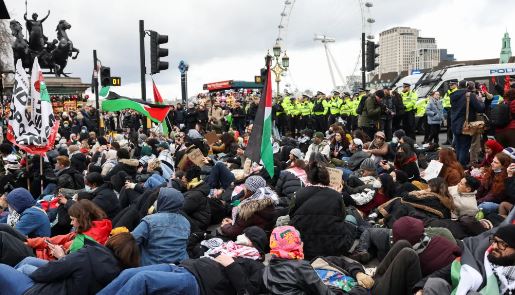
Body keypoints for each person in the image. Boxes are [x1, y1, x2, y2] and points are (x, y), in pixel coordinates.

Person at [98, 226, 269, 295]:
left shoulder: (256, 264)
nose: (240, 236)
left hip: (199, 282)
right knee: (129, 273)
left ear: (252, 242)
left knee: (143, 280)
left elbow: (247, 291)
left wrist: (231, 265)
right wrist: (199, 236)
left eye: (245, 235)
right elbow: (198, 248)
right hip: (186, 267)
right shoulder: (231, 247)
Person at [0, 232, 140, 295]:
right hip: (63, 281)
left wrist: (61, 257)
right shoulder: (120, 274)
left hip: (45, 289)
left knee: (23, 267)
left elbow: (46, 274)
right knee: (27, 261)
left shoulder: (90, 253)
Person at [262, 226, 372, 295]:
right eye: (299, 241)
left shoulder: (268, 269)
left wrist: (358, 273)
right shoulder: (300, 268)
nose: (302, 244)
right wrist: (359, 289)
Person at [414, 224, 515, 295]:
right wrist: (420, 288)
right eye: (494, 241)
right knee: (434, 284)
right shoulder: (483, 257)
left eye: (501, 244)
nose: (493, 246)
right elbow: (445, 272)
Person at [289, 161, 354, 260]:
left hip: (302, 247)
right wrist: (337, 195)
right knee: (351, 219)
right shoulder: (336, 196)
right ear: (327, 179)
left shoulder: (298, 193)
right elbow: (342, 217)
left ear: (309, 178)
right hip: (332, 248)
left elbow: (291, 215)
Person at [131, 187, 189, 266]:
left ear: (163, 201)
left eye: (157, 199)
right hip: (179, 268)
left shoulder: (149, 221)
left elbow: (132, 241)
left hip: (151, 268)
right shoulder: (185, 222)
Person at [450, 80, 485, 166]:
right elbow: (480, 108)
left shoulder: (453, 95)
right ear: (467, 86)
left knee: (458, 147)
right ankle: (462, 166)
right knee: (464, 147)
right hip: (465, 125)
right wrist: (481, 100)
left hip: (455, 124)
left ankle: (458, 165)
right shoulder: (470, 95)